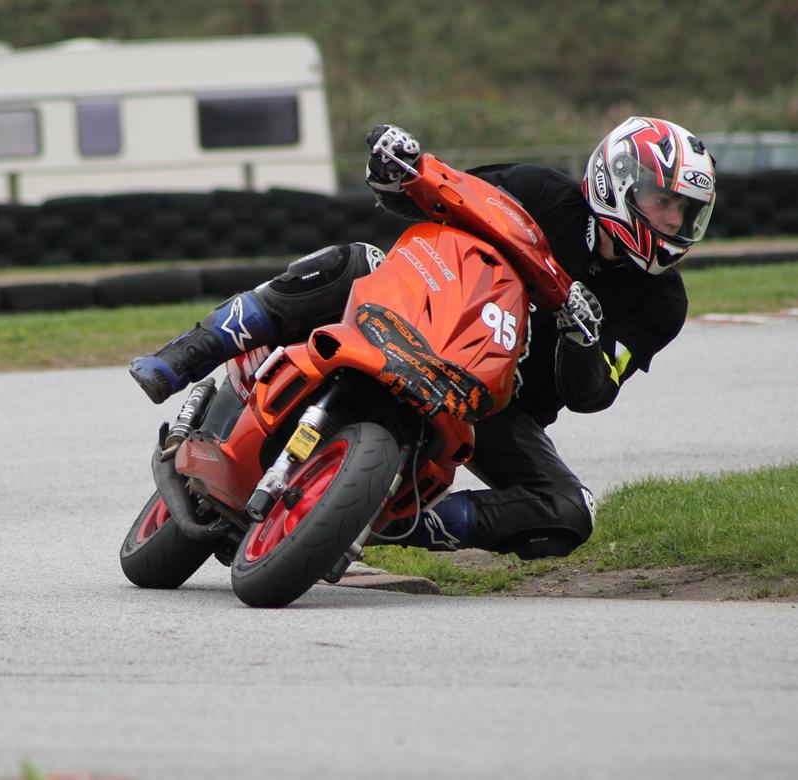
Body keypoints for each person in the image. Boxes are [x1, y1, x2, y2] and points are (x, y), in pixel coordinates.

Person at [129, 116, 717, 561]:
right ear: (617, 181)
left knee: (571, 510)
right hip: (416, 318)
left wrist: (579, 336)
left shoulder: (663, 302)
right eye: (662, 202)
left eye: (684, 213)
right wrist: (397, 172)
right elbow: (443, 204)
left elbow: (590, 394)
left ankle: (402, 524)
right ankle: (186, 356)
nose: (671, 223)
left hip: (492, 403)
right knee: (351, 260)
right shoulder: (539, 191)